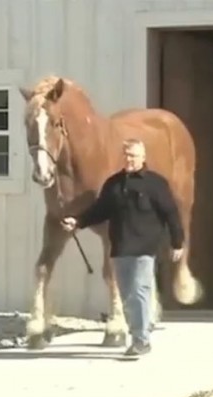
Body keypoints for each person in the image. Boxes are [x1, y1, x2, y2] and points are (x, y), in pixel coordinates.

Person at [60, 138, 184, 357]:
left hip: (146, 247)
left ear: (143, 157)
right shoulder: (114, 184)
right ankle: (142, 327)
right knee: (127, 295)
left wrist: (177, 242)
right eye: (126, 155)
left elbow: (171, 213)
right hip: (121, 247)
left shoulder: (155, 184)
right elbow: (100, 210)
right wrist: (77, 221)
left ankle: (141, 340)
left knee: (139, 290)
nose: (129, 159)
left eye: (134, 155)